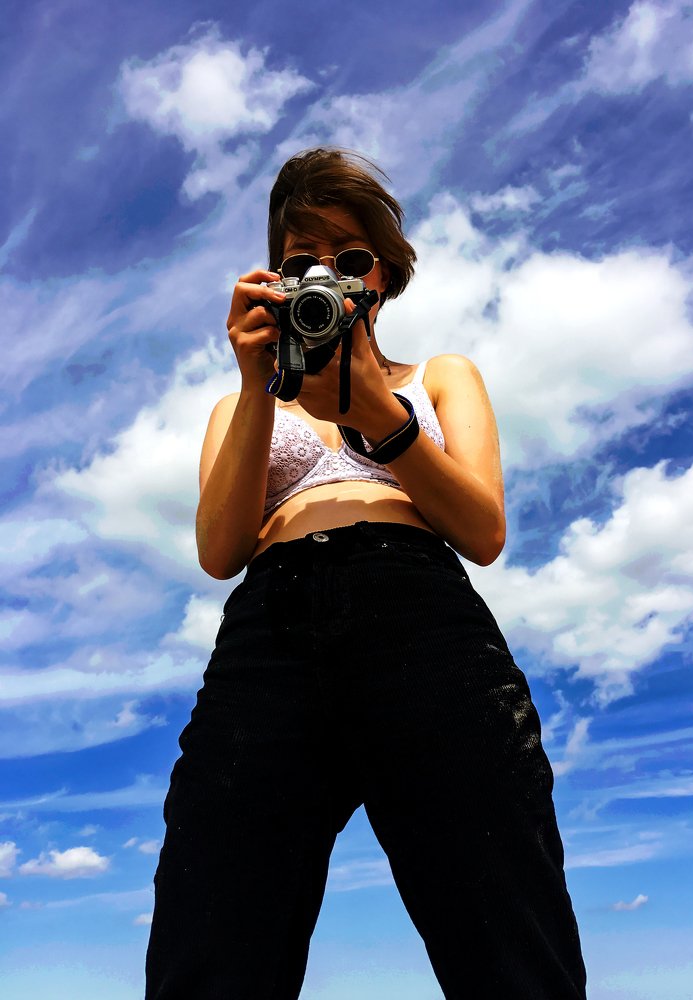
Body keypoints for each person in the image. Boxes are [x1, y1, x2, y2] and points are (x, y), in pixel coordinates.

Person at [145, 148, 587, 999]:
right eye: (301, 260)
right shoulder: (238, 408)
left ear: (384, 275)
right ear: (275, 277)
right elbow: (218, 550)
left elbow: (482, 528)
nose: (327, 277)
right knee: (213, 922)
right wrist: (252, 383)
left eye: (350, 258)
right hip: (270, 627)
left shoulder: (440, 376)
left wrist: (377, 417)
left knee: (505, 923)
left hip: (420, 609)